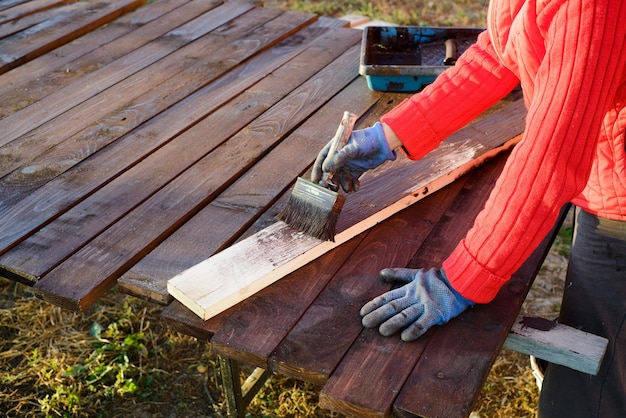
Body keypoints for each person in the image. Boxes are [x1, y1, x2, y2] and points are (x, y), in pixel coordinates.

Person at [311, 0, 626, 416]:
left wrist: (465, 275)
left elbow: (552, 155)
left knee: (589, 396)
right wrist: (391, 134)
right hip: (606, 173)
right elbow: (500, 51)